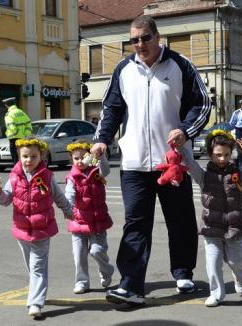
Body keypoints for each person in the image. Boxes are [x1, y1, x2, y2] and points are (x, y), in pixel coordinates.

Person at [91, 15, 212, 306]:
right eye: (134, 40)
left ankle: (183, 273)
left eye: (145, 38)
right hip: (133, 162)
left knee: (180, 219)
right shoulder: (124, 69)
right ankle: (130, 286)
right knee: (135, 224)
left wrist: (185, 131)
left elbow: (202, 104)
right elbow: (111, 109)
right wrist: (101, 140)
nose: (140, 44)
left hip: (171, 161)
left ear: (158, 37)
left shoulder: (179, 64)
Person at [0, 137, 73, 318]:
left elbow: (59, 197)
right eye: (25, 156)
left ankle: (35, 303)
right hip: (22, 231)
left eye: (33, 156)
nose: (29, 160)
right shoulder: (14, 177)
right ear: (19, 156)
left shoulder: (47, 177)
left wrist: (68, 211)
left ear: (41, 156)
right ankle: (38, 289)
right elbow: (4, 200)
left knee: (37, 267)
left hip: (42, 230)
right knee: (31, 266)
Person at [178, 130, 242, 307]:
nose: (222, 159)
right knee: (213, 263)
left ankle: (240, 278)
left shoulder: (237, 174)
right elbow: (190, 163)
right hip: (211, 227)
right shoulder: (204, 176)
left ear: (231, 154)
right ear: (210, 154)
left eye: (226, 155)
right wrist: (181, 148)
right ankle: (216, 294)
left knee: (235, 261)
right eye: (217, 155)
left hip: (234, 226)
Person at [64, 141, 114, 294]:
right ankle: (82, 282)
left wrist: (101, 156)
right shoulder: (72, 178)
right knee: (79, 255)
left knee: (97, 250)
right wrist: (68, 208)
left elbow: (106, 170)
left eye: (82, 157)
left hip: (98, 222)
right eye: (76, 158)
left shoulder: (96, 170)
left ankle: (106, 271)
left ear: (89, 157)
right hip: (79, 223)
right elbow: (69, 196)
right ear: (72, 159)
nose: (80, 161)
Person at [3, 97, 33, 164]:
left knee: (15, 157)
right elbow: (28, 124)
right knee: (22, 155)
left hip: (14, 138)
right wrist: (26, 134)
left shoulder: (9, 114)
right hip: (23, 138)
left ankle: (17, 171)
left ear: (6, 105)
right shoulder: (21, 112)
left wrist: (9, 134)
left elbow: (11, 126)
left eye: (5, 104)